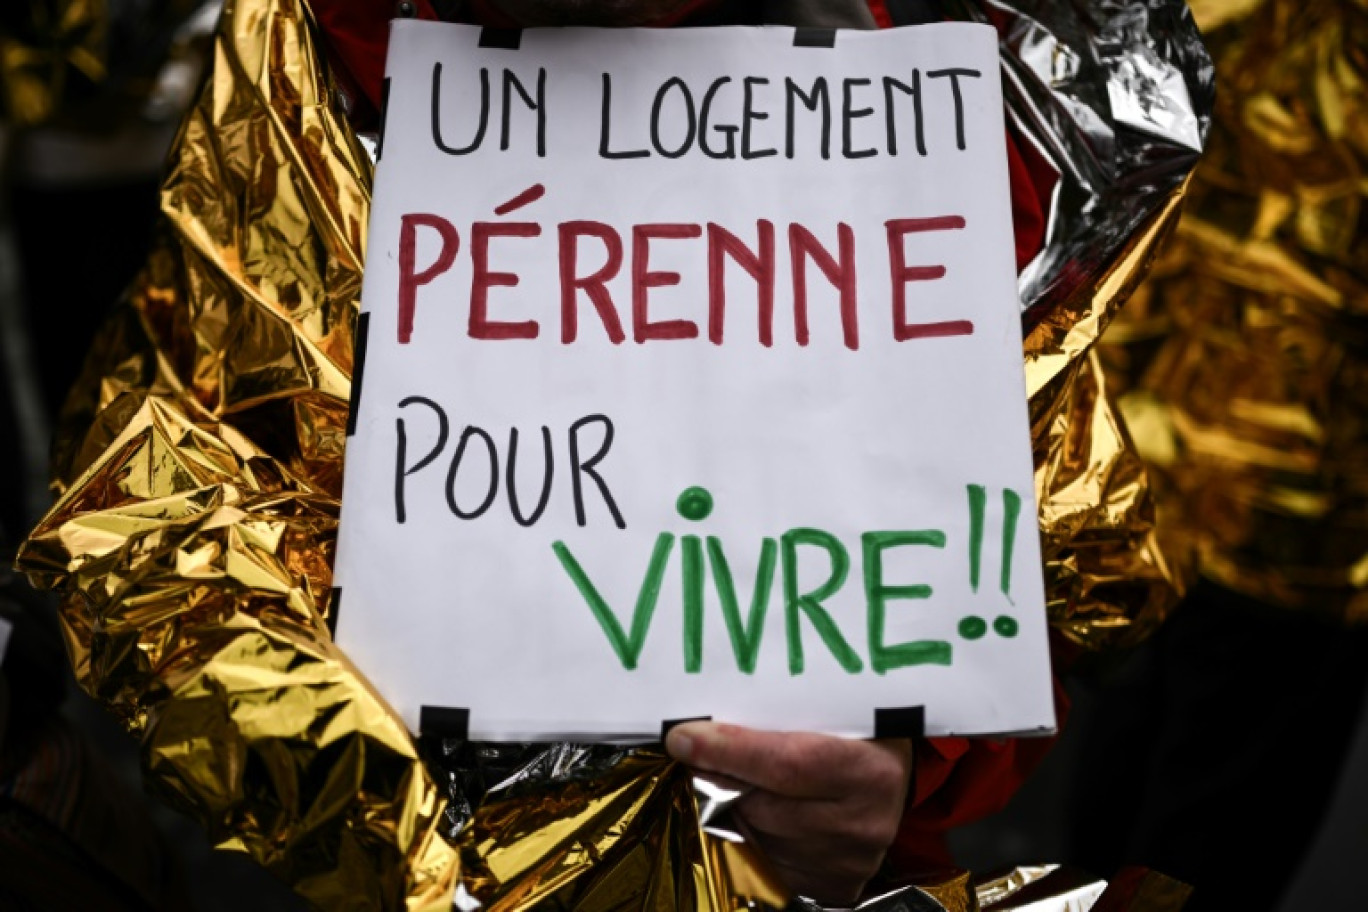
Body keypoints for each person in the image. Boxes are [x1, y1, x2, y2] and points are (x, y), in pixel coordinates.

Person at [16, 0, 1186, 907]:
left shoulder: (934, 78)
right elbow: (159, 510)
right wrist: (395, 832)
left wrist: (912, 768)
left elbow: (1049, 542)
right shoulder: (318, 57)